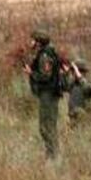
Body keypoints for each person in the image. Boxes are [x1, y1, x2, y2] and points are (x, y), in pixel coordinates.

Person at [23, 27, 69, 157]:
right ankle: (52, 154)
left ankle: (53, 155)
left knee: (46, 127)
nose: (30, 42)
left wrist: (31, 73)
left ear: (38, 42)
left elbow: (45, 76)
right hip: (48, 94)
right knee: (47, 126)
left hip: (48, 94)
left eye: (32, 40)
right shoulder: (45, 53)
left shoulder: (45, 55)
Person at [67, 58, 91, 124]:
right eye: (73, 72)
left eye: (74, 72)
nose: (73, 74)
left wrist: (80, 77)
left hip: (87, 124)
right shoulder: (73, 86)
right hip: (74, 123)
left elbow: (87, 88)